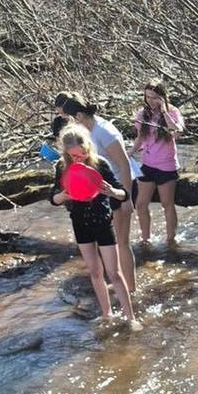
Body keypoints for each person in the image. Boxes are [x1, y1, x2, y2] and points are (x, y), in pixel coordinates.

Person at [50, 125, 141, 331]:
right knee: (94, 271)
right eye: (73, 155)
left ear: (88, 148)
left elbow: (124, 194)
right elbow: (53, 198)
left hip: (102, 220)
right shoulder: (62, 167)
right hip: (80, 223)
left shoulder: (100, 164)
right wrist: (64, 196)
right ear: (66, 153)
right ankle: (107, 312)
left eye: (82, 154)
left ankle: (131, 317)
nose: (78, 158)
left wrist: (111, 191)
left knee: (114, 273)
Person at [62, 93, 138, 293]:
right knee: (111, 243)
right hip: (105, 191)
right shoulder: (87, 133)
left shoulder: (104, 132)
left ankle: (131, 290)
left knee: (121, 242)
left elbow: (124, 164)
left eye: (69, 119)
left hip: (121, 187)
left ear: (78, 116)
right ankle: (118, 282)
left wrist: (127, 198)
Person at [132, 79, 185, 246]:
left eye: (154, 97)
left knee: (166, 204)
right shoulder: (142, 114)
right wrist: (130, 152)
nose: (150, 100)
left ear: (162, 97)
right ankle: (146, 239)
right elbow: (141, 137)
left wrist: (164, 111)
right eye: (147, 97)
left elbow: (176, 133)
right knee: (140, 204)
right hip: (148, 164)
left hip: (166, 165)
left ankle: (171, 240)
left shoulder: (173, 112)